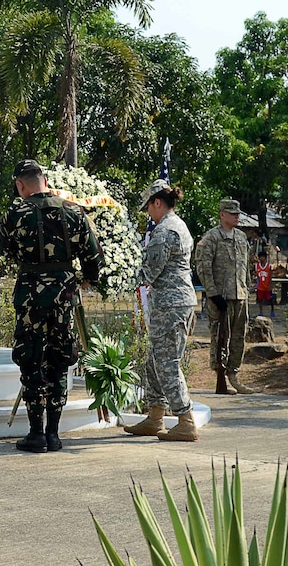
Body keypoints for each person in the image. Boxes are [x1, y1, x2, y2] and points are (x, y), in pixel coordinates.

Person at [0, 159, 104, 453]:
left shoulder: (16, 212)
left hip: (31, 296)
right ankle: (54, 434)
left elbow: (0, 246)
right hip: (64, 299)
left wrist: (25, 256)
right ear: (44, 179)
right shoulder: (73, 210)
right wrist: (86, 280)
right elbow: (94, 257)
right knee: (59, 360)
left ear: (21, 185)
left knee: (32, 360)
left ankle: (36, 434)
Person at [124, 179, 199, 441]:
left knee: (167, 363)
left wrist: (117, 273)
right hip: (174, 303)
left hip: (171, 305)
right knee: (155, 360)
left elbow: (149, 272)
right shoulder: (177, 225)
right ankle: (156, 417)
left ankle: (185, 419)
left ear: (157, 202)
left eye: (148, 207)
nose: (148, 213)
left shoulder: (165, 231)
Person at [194, 198, 257, 395]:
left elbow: (245, 267)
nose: (236, 216)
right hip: (221, 296)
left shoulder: (240, 237)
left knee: (239, 336)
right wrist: (212, 293)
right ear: (222, 214)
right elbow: (203, 267)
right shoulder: (212, 238)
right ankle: (220, 374)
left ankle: (234, 375)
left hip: (239, 294)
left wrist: (246, 288)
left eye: (238, 213)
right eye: (232, 213)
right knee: (221, 336)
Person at [255, 250, 275, 317]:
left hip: (267, 286)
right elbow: (257, 276)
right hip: (260, 286)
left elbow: (270, 276)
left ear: (265, 258)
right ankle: (261, 312)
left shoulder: (269, 266)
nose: (261, 258)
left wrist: (270, 285)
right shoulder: (256, 266)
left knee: (270, 299)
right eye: (260, 257)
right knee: (260, 300)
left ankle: (272, 310)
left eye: (262, 257)